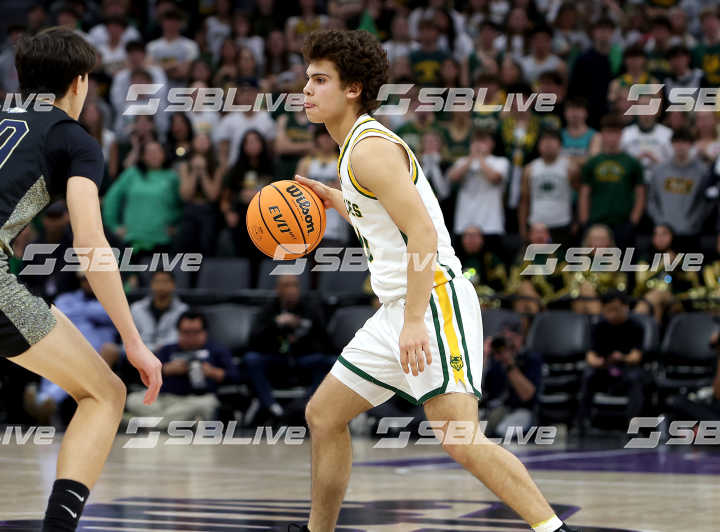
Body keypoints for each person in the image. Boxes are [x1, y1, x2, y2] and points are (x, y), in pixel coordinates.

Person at [291, 29, 578, 532]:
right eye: (307, 78)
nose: (307, 90)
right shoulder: (354, 149)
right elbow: (388, 218)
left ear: (353, 88)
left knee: (460, 438)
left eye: (320, 80)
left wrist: (414, 321)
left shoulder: (368, 150)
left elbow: (423, 232)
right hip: (399, 307)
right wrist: (338, 201)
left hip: (432, 300)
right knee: (324, 415)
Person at [0, 27, 161, 531]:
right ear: (81, 82)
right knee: (105, 394)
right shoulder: (73, 139)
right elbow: (90, 244)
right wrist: (133, 341)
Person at [125, 310, 237, 430]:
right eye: (186, 332)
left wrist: (211, 372)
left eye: (195, 332)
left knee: (205, 405)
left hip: (197, 399)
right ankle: (182, 423)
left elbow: (235, 377)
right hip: (165, 399)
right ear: (178, 332)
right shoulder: (167, 350)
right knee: (133, 400)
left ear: (204, 332)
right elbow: (144, 373)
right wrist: (167, 369)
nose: (190, 337)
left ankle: (147, 423)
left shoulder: (217, 351)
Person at [244, 275, 333, 420]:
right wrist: (275, 325)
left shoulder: (310, 309)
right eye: (286, 286)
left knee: (331, 362)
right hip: (277, 358)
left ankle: (306, 404)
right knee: (251, 359)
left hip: (303, 357)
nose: (291, 290)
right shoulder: (268, 310)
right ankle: (272, 407)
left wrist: (300, 329)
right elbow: (253, 341)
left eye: (295, 285)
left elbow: (326, 342)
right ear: (278, 289)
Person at [577, 291, 646, 432]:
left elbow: (636, 356)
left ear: (625, 307)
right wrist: (599, 362)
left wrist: (622, 357)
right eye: (608, 310)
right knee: (588, 376)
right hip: (604, 368)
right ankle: (582, 423)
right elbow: (590, 355)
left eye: (615, 309)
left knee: (636, 379)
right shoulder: (599, 327)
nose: (611, 314)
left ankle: (633, 426)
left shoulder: (636, 326)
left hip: (626, 368)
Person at [483, 320, 542, 439]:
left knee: (503, 432)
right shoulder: (493, 358)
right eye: (504, 337)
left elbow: (527, 395)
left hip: (521, 412)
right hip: (494, 410)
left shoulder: (530, 359)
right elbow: (477, 390)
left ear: (521, 339)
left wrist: (509, 364)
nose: (508, 343)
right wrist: (484, 355)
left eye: (512, 338)